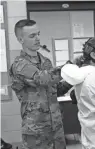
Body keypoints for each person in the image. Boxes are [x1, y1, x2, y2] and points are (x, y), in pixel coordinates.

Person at [9, 19, 72, 149]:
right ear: (21, 40)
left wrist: (74, 80)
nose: (37, 38)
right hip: (36, 131)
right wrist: (71, 68)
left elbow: (56, 89)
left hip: (56, 128)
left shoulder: (46, 62)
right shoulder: (19, 65)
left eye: (38, 34)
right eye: (32, 36)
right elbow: (42, 79)